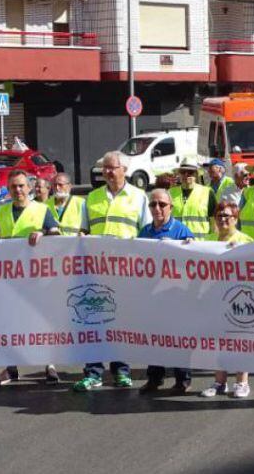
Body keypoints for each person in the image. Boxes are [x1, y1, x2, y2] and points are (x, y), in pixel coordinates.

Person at [73, 151, 150, 393]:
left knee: (119, 321)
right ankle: (93, 372)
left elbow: (146, 233)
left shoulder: (138, 197)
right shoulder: (92, 197)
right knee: (92, 320)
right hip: (94, 270)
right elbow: (84, 230)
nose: (107, 172)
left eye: (112, 167)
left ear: (124, 169)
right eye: (104, 168)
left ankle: (121, 371)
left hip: (125, 272)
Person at [0, 170, 60, 385]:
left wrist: (44, 234)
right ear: (8, 190)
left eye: (21, 186)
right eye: (13, 187)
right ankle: (11, 367)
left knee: (41, 321)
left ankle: (49, 364)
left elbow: (57, 233)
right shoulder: (2, 212)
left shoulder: (41, 209)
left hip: (37, 276)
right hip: (11, 279)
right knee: (9, 323)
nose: (17, 190)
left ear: (29, 188)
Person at [138, 188, 196, 394]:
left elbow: (194, 262)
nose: (157, 208)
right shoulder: (144, 232)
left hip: (177, 295)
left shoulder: (182, 231)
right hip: (153, 295)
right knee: (154, 337)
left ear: (171, 207)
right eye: (153, 204)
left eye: (162, 204)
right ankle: (154, 378)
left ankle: (182, 379)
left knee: (178, 337)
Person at [200, 201, 254, 399]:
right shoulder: (208, 239)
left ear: (236, 219)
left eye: (228, 216)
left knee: (240, 339)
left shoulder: (245, 240)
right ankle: (219, 382)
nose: (223, 219)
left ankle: (242, 382)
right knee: (218, 340)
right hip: (214, 296)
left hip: (237, 297)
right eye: (220, 215)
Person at [169, 156, 216, 237]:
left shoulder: (208, 192)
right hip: (176, 244)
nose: (186, 175)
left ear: (196, 174)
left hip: (199, 245)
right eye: (183, 172)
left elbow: (214, 222)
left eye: (190, 172)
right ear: (179, 174)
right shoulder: (170, 193)